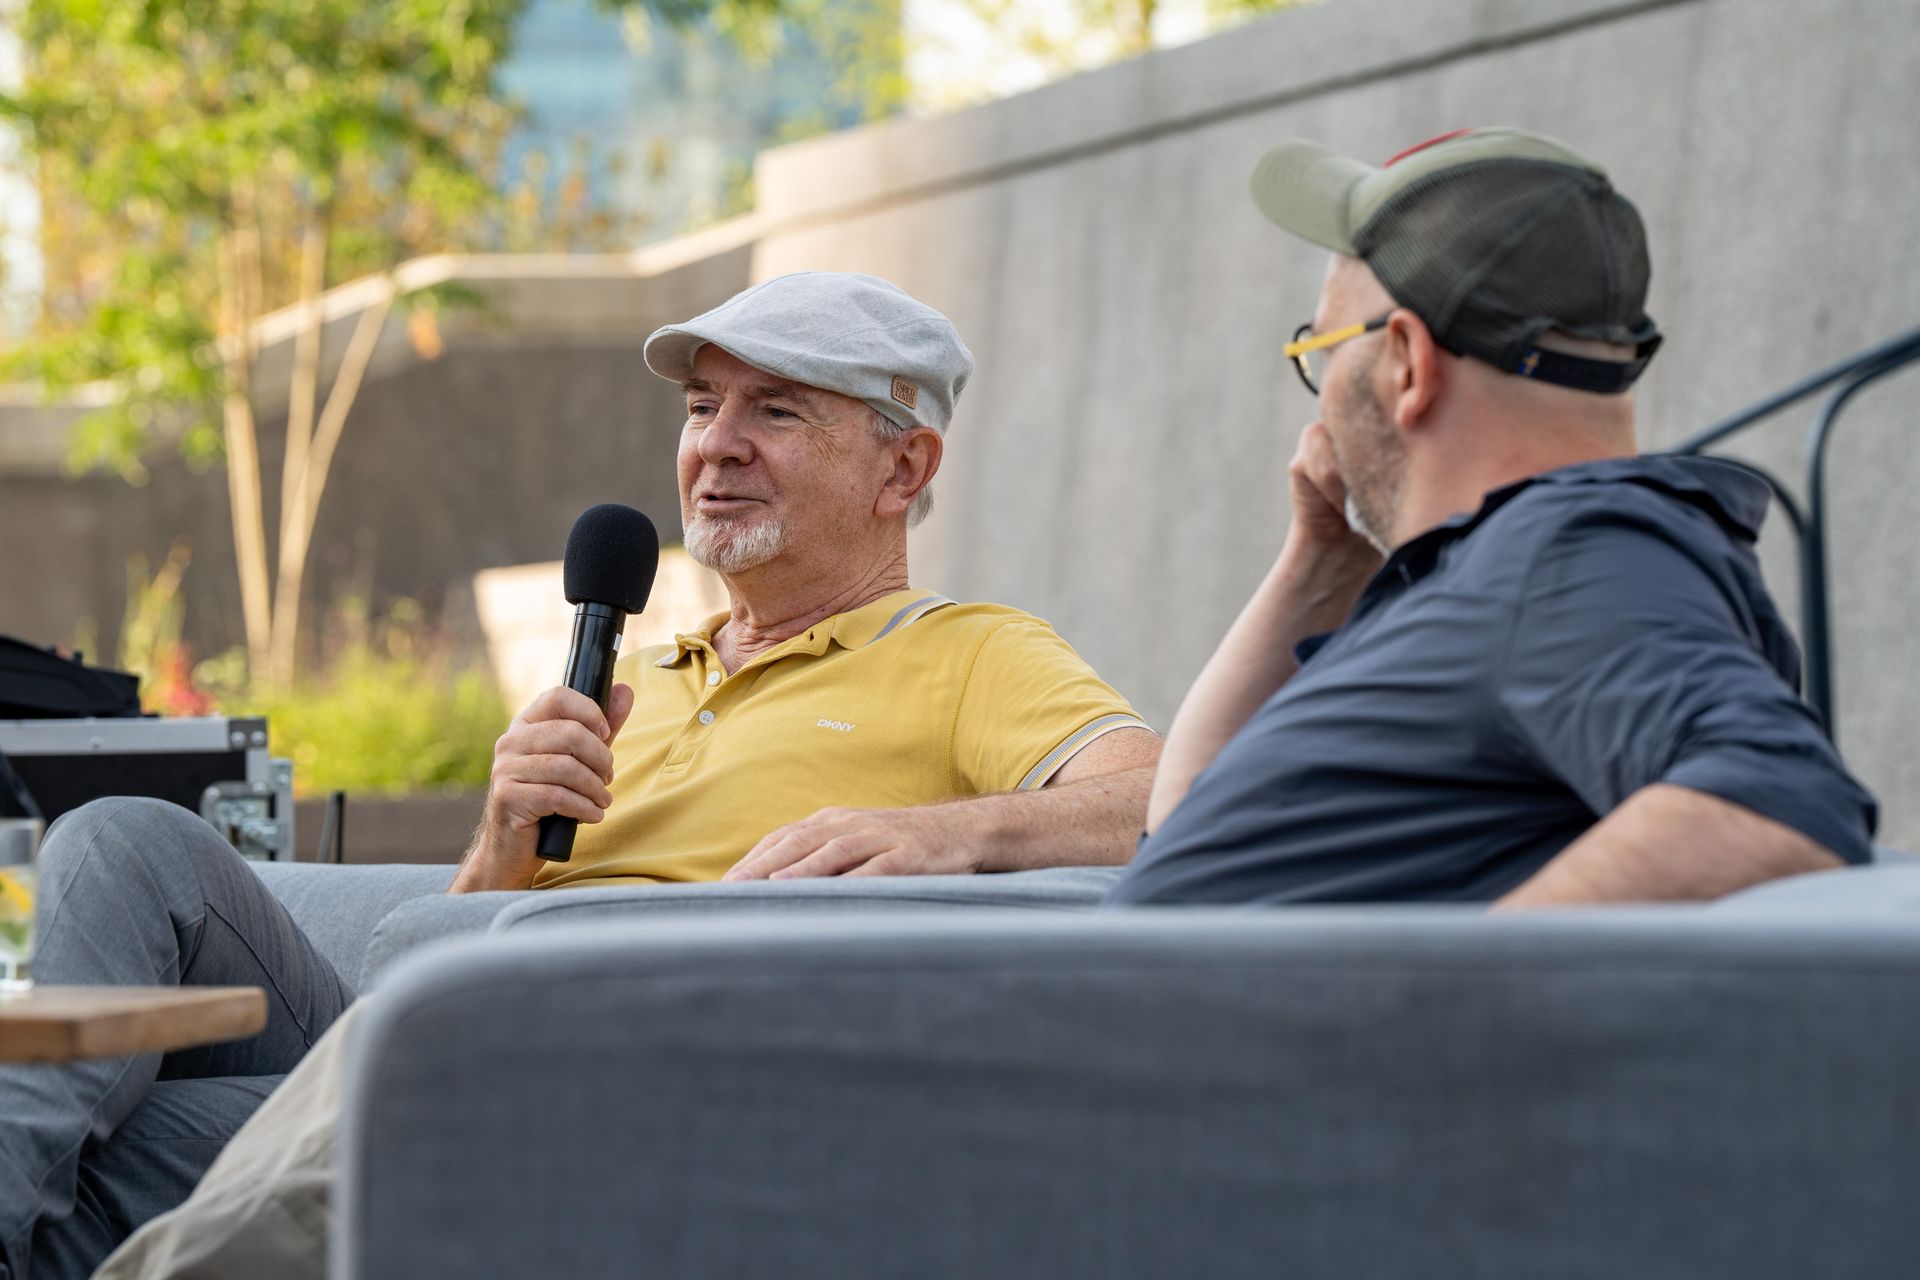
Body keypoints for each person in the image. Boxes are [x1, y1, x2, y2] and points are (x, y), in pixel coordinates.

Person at [1, 271, 1159, 1279]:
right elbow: (436, 943)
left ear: (902, 468)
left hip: (596, 1066)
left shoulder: (969, 651)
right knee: (117, 834)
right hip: (421, 1023)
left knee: (124, 1131)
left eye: (778, 410)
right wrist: (501, 842)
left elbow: (1166, 798)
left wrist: (940, 836)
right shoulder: (630, 670)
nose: (717, 443)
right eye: (705, 406)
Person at [1113, 127, 1876, 907]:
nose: (1321, 390)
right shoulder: (1499, 571)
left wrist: (1424, 1020)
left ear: (1407, 362)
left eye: (1324, 347)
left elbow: (1776, 807)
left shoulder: (1572, 556)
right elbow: (1190, 835)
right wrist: (1319, 562)